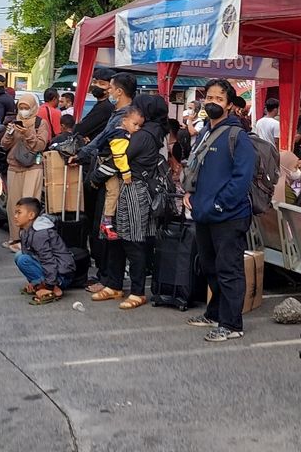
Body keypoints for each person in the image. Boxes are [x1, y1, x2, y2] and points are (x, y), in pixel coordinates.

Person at [184, 79, 257, 342]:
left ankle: (232, 324)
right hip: (203, 213)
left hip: (229, 216)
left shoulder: (238, 136)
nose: (212, 103)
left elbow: (242, 178)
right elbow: (197, 168)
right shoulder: (204, 132)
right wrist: (190, 193)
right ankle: (214, 313)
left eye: (218, 99)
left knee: (229, 270)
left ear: (228, 105)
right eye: (209, 98)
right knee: (209, 267)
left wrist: (220, 203)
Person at [92, 94, 168, 310]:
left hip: (134, 190)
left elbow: (120, 158)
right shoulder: (149, 131)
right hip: (128, 189)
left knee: (133, 242)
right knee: (116, 238)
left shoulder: (144, 135)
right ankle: (114, 284)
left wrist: (96, 178)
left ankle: (137, 291)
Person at [75, 71, 136, 289]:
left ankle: (108, 277)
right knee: (100, 226)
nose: (107, 90)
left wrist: (94, 169)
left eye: (109, 86)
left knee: (106, 227)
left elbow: (110, 147)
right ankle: (104, 274)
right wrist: (81, 154)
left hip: (112, 177)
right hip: (102, 172)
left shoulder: (126, 117)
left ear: (119, 91)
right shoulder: (117, 113)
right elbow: (100, 140)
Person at [10, 197, 76, 305]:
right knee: (19, 255)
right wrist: (34, 282)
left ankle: (53, 288)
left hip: (62, 276)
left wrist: (49, 285)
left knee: (23, 260)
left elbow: (48, 260)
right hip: (54, 273)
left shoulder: (40, 233)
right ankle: (39, 284)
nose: (15, 216)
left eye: (19, 213)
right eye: (15, 212)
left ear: (31, 215)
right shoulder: (26, 230)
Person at [96, 106, 144, 241]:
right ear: (124, 121)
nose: (137, 128)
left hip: (107, 165)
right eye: (135, 124)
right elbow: (119, 157)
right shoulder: (120, 136)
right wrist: (126, 173)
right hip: (108, 167)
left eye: (139, 126)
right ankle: (107, 224)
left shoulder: (119, 133)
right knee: (113, 192)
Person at [1, 93, 51, 222]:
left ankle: (28, 238)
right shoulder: (13, 122)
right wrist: (9, 133)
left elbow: (40, 145)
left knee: (29, 205)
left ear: (33, 107)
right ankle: (15, 238)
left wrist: (27, 133)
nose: (23, 111)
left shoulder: (40, 123)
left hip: (33, 167)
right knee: (13, 205)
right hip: (14, 166)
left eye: (26, 107)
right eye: (21, 107)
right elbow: (4, 145)